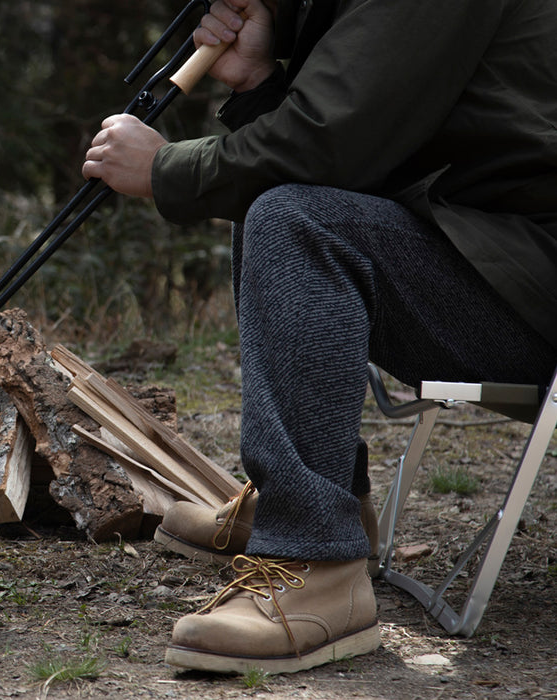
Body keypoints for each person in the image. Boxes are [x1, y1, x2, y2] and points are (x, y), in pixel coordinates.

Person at [82, 0, 557, 675]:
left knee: (295, 218)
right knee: (284, 202)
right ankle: (323, 504)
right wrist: (258, 84)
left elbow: (332, 138)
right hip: (496, 253)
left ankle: (318, 564)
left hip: (529, 277)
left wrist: (167, 171)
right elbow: (359, 142)